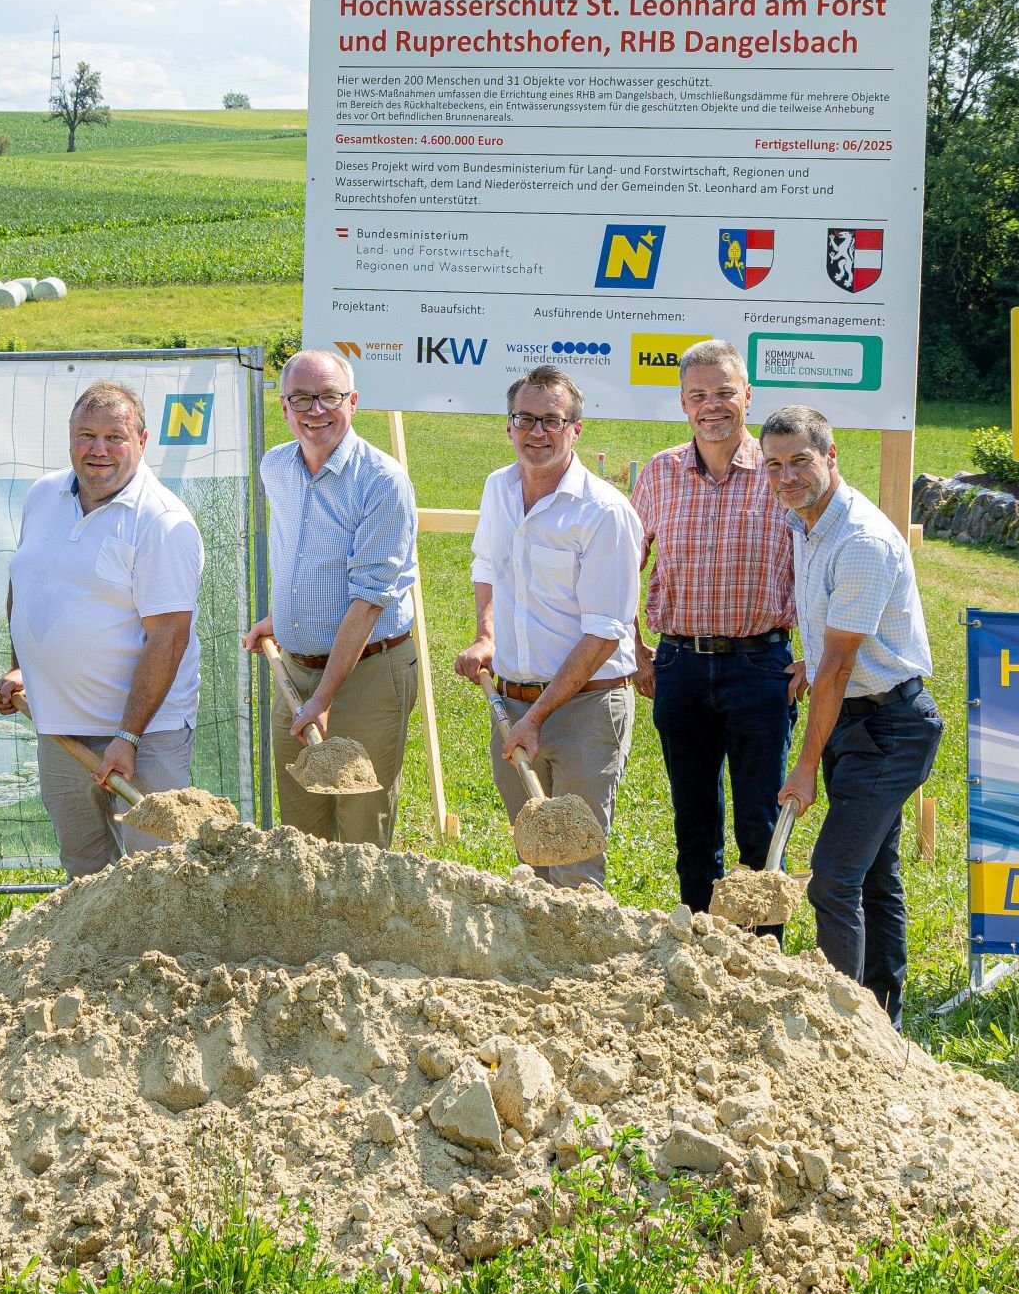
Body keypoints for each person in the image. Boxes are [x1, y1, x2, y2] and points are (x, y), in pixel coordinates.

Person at [759, 404, 941, 1026]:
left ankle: (844, 1031)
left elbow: (840, 668)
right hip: (857, 716)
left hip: (890, 727)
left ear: (831, 457)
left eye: (800, 461)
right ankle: (883, 1021)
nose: (787, 477)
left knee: (833, 878)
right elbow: (834, 648)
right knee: (875, 877)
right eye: (774, 465)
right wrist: (811, 662)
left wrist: (804, 766)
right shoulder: (805, 522)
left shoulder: (860, 539)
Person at [0, 380, 204, 877]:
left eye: (115, 437)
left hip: (147, 736)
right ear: (70, 438)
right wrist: (21, 668)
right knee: (85, 871)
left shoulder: (162, 521)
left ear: (142, 441)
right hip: (61, 729)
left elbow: (168, 638)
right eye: (86, 435)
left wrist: (128, 736)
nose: (98, 450)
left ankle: (160, 936)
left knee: (156, 872)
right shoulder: (44, 495)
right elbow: (26, 581)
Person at [629, 339, 797, 931]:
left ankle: (764, 952)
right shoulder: (660, 472)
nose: (712, 405)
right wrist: (635, 649)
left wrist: (814, 657)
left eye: (724, 392)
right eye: (698, 394)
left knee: (761, 824)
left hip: (761, 667)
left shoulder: (782, 470)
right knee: (694, 822)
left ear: (748, 395)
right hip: (679, 665)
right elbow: (621, 567)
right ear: (682, 402)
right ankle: (700, 943)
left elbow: (822, 566)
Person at [454, 364, 640, 889]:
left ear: (575, 429)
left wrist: (537, 717)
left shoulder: (603, 512)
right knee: (532, 858)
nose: (537, 432)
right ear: (508, 425)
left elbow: (605, 632)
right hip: (513, 703)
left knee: (575, 866)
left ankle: (583, 946)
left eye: (552, 421)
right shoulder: (498, 488)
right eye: (525, 418)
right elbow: (487, 566)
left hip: (585, 708)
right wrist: (486, 635)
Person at [242, 348, 420, 845]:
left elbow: (369, 599)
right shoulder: (276, 467)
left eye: (329, 397)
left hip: (368, 673)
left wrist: (324, 698)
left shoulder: (382, 481)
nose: (315, 410)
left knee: (361, 831)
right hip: (296, 672)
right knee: (301, 831)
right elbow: (300, 554)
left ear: (353, 402)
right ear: (284, 407)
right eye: (301, 398)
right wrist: (283, 617)